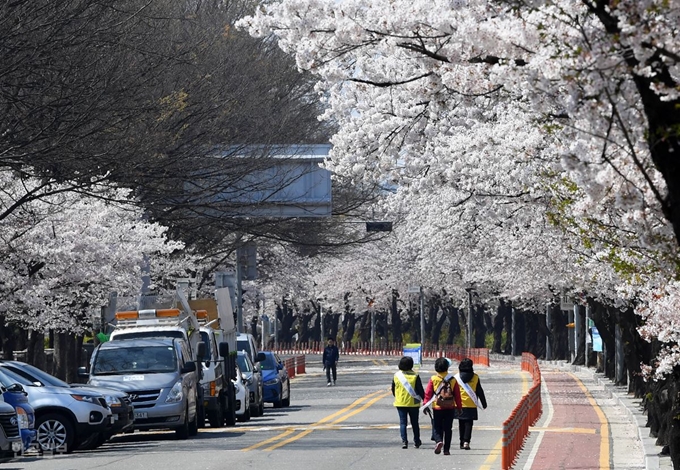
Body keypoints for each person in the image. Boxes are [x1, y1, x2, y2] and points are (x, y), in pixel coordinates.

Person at [422, 357, 462, 455]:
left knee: (437, 426)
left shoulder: (433, 379)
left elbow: (428, 393)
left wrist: (425, 404)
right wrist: (459, 407)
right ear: (447, 368)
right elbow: (457, 394)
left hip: (437, 407)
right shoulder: (453, 380)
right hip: (450, 407)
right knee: (448, 428)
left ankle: (439, 441)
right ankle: (447, 449)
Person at [391, 356, 424, 449]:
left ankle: (404, 441)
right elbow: (420, 390)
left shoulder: (397, 376)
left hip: (400, 402)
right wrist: (425, 400)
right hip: (413, 403)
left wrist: (397, 396)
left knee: (403, 423)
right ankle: (417, 441)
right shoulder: (415, 376)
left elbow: (393, 389)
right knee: (415, 423)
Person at [455, 357, 488, 450]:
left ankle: (461, 441)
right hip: (471, 404)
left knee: (461, 423)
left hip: (459, 404)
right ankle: (466, 441)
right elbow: (479, 391)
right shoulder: (475, 377)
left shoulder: (456, 377)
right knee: (469, 424)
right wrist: (484, 403)